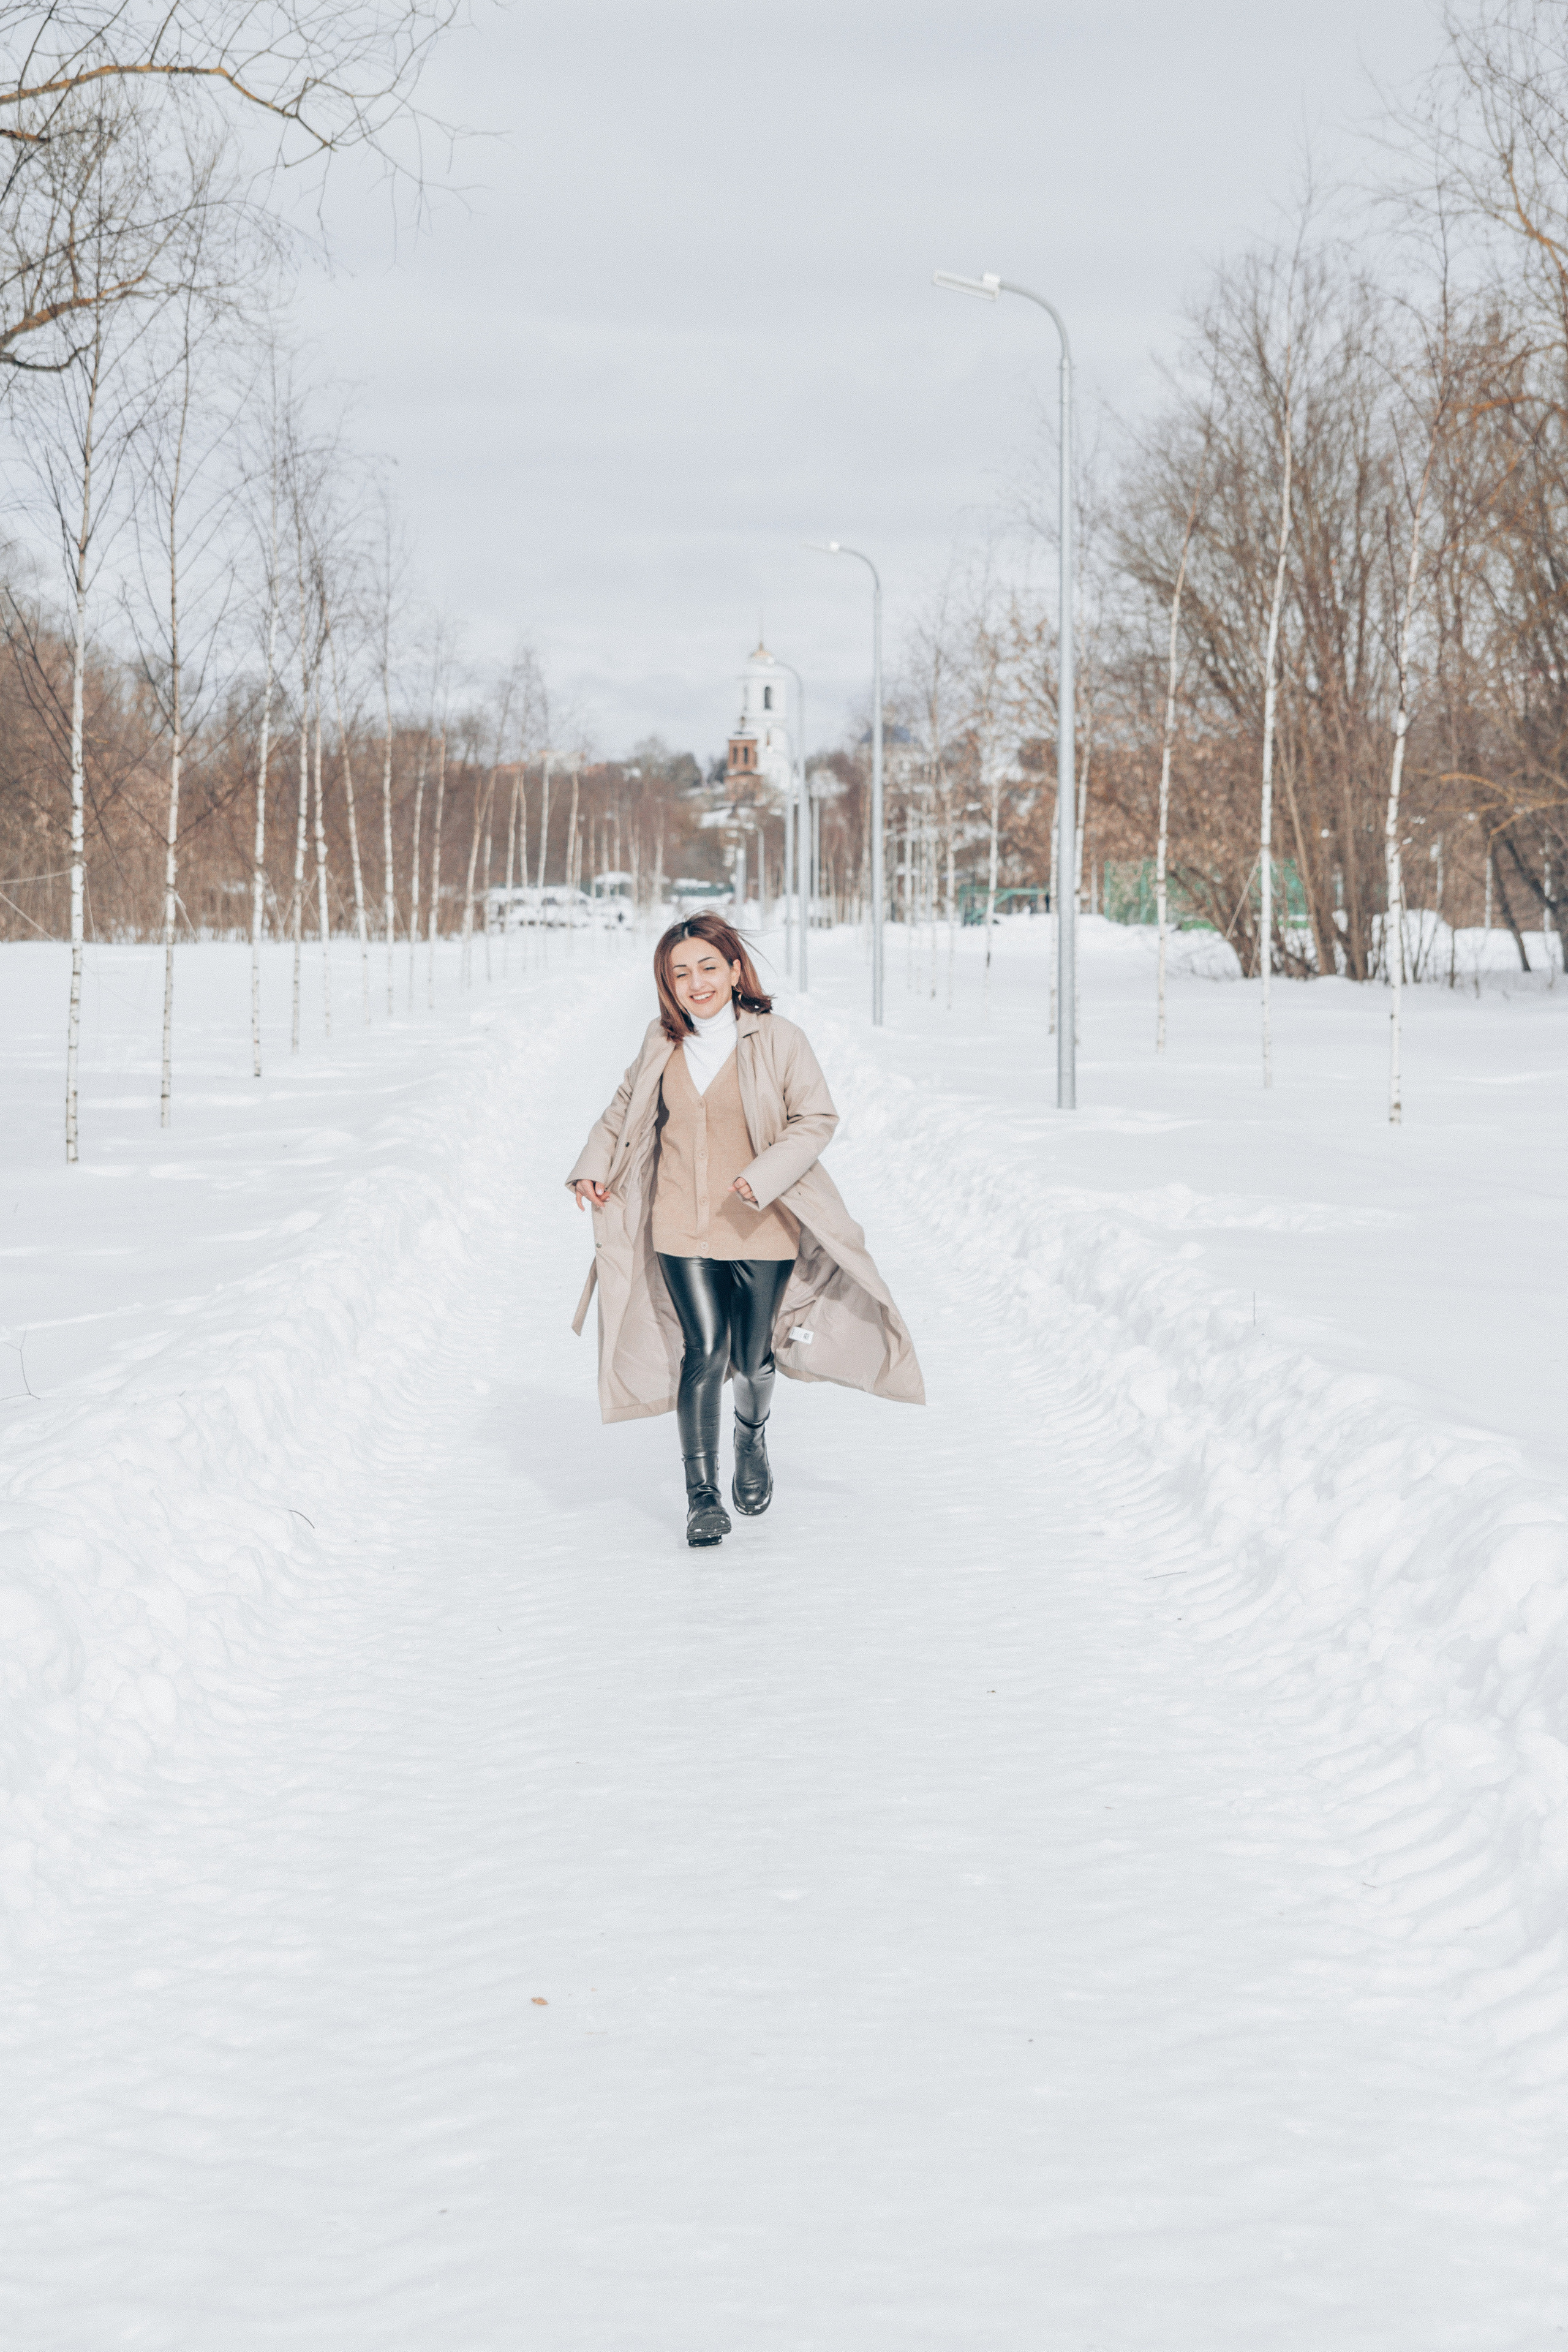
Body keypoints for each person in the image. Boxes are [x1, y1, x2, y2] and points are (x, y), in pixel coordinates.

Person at [567, 911, 924, 1547]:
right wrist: (592, 1168)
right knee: (702, 1351)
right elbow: (621, 1111)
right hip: (679, 1224)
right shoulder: (660, 1043)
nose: (696, 982)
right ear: (667, 984)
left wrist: (763, 1175)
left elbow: (815, 1118)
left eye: (708, 967)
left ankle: (751, 1437)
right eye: (680, 973)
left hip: (763, 1225)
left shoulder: (778, 1039)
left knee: (753, 1357)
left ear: (735, 971)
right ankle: (701, 1496)